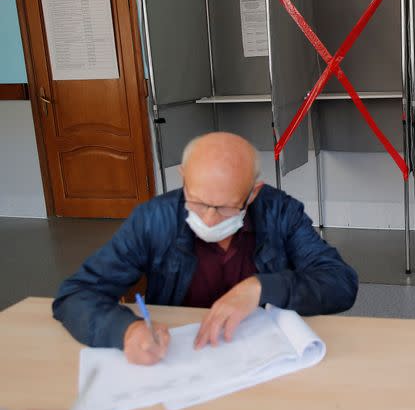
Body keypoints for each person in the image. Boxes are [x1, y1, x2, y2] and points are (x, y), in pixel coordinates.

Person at [53, 132, 358, 365]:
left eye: (225, 208)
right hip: (180, 357)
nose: (210, 219)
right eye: (197, 202)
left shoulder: (280, 213)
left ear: (252, 193)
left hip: (266, 356)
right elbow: (76, 295)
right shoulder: (153, 219)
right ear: (184, 179)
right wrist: (125, 331)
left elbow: (340, 282)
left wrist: (261, 288)